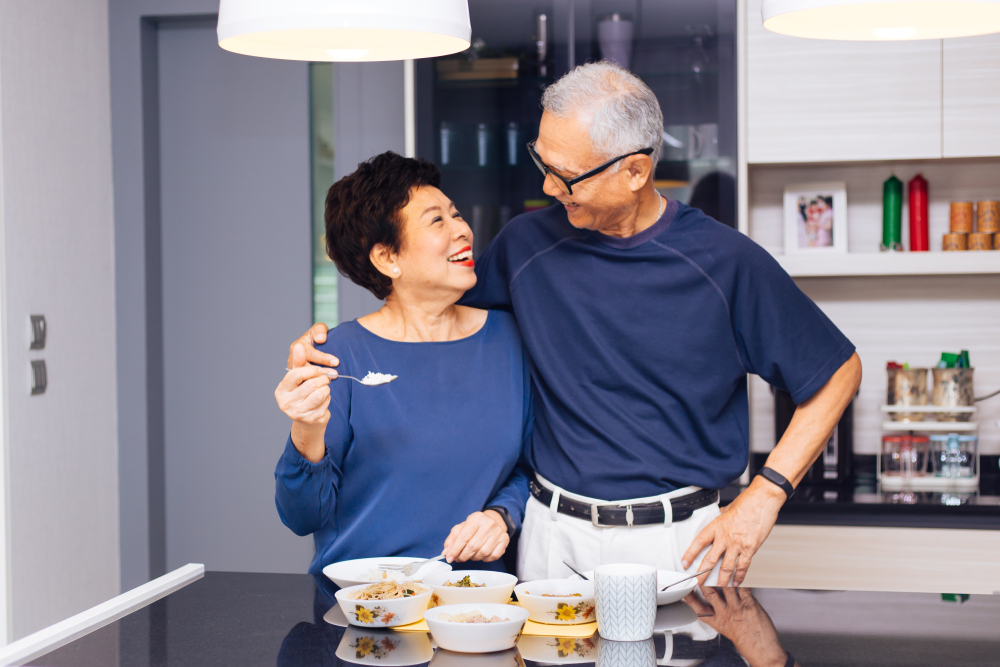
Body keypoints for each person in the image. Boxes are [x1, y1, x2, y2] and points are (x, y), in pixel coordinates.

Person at [289, 61, 862, 589]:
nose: (547, 188)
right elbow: (425, 313)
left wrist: (766, 495)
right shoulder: (524, 245)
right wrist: (331, 352)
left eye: (566, 176)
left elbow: (837, 370)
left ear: (636, 170)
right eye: (543, 164)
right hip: (551, 536)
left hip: (681, 543)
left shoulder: (725, 262)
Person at [273, 152, 532, 582]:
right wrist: (306, 430)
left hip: (475, 605)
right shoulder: (338, 355)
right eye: (437, 221)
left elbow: (529, 467)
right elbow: (302, 516)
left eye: (456, 214)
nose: (462, 229)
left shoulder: (510, 340)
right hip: (368, 612)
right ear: (387, 259)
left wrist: (502, 516)